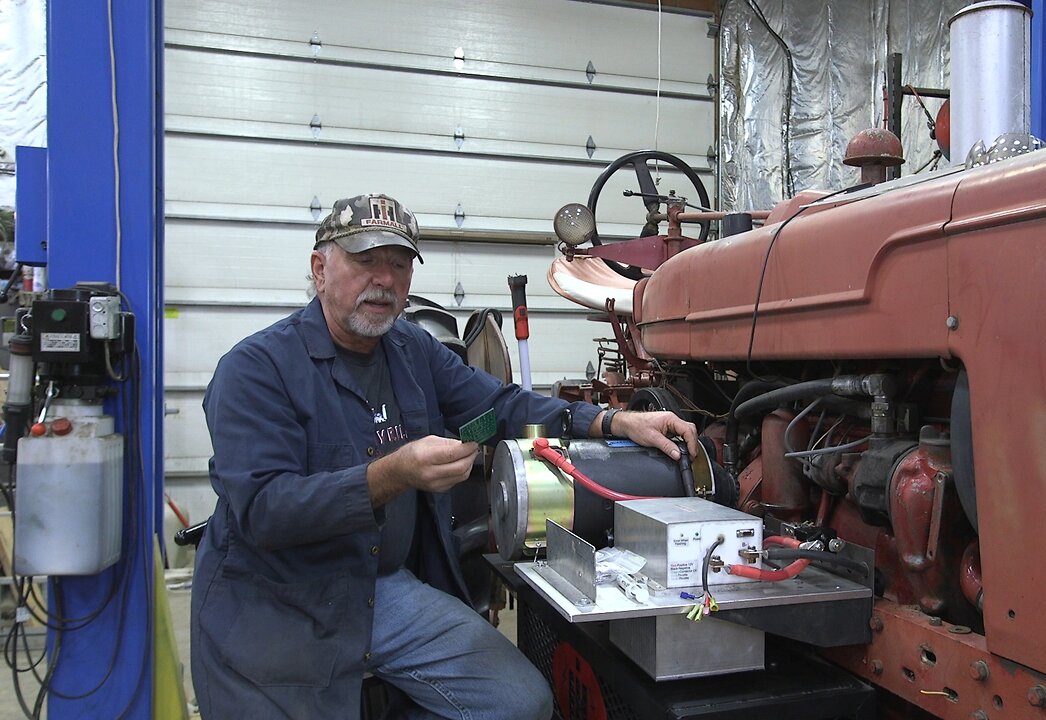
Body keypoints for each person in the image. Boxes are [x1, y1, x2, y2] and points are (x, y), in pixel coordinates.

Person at [190, 193, 697, 720]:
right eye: (365, 261)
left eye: (399, 263)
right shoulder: (254, 370)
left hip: (380, 589)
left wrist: (613, 421)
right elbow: (268, 510)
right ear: (320, 269)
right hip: (279, 598)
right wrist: (393, 473)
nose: (384, 280)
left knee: (520, 703)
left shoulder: (412, 350)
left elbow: (501, 406)